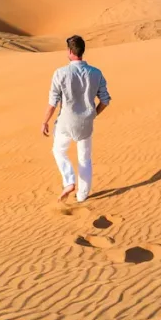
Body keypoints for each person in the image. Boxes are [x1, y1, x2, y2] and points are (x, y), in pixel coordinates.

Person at [41, 35, 111, 202]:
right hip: (86, 124)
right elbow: (105, 100)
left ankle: (69, 181)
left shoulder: (60, 73)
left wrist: (44, 121)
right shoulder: (96, 73)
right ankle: (82, 196)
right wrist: (94, 114)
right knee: (84, 159)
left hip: (65, 123)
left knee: (58, 150)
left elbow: (53, 102)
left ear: (70, 51)